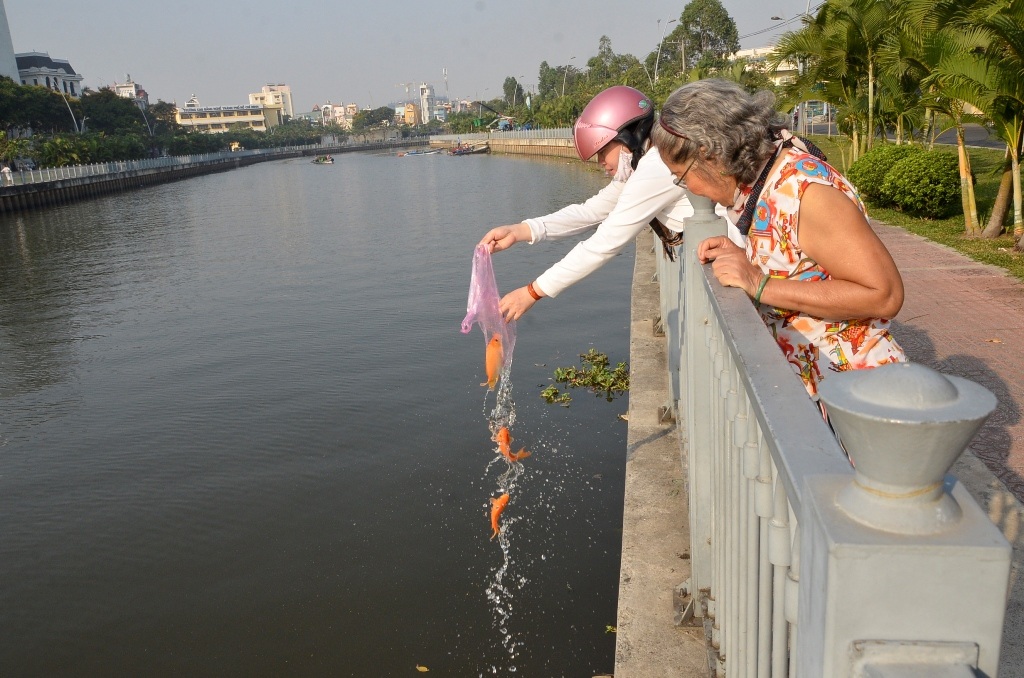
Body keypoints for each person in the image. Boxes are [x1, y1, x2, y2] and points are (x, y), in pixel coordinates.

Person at [651, 78, 905, 400]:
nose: (690, 189)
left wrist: (760, 283)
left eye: (682, 177)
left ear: (711, 155)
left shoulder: (805, 192)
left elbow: (884, 295)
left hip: (859, 399)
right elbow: (804, 263)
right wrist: (746, 260)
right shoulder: (767, 184)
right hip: (821, 390)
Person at [479, 85, 730, 322]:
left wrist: (533, 292)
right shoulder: (641, 166)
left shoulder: (656, 165)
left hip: (737, 258)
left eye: (602, 151)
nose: (600, 162)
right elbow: (590, 212)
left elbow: (605, 243)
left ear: (627, 137)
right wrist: (520, 231)